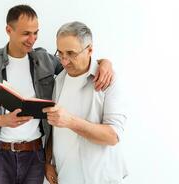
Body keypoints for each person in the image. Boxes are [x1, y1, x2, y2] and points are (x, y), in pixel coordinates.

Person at [0, 5, 113, 184]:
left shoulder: (45, 59)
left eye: (36, 32)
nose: (32, 39)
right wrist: (3, 121)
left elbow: (77, 65)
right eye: (26, 33)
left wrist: (104, 63)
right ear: (9, 30)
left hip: (34, 156)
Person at [43, 21, 127, 184]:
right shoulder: (59, 79)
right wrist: (48, 161)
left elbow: (113, 136)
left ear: (90, 50)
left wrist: (70, 121)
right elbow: (52, 127)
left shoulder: (108, 80)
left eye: (71, 53)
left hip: (99, 179)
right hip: (64, 176)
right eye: (60, 53)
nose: (64, 61)